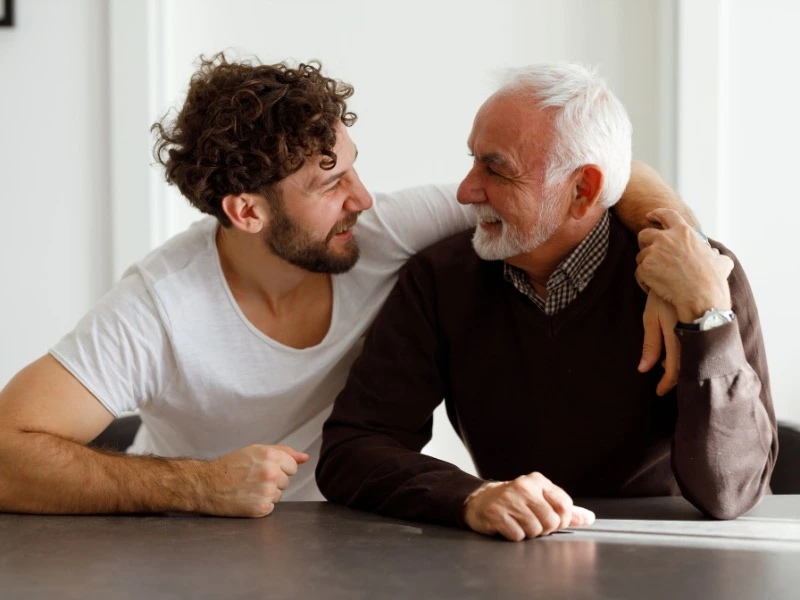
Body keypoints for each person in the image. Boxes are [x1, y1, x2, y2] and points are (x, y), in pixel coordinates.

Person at [0, 55, 692, 517]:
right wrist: (198, 486)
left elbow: (595, 173)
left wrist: (675, 258)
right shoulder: (159, 307)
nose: (361, 197)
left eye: (354, 167)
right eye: (330, 183)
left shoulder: (381, 228)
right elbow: (6, 452)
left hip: (344, 536)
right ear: (247, 212)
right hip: (184, 542)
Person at [316, 63, 777, 540]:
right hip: (512, 552)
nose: (465, 191)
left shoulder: (701, 277)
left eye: (496, 168)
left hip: (667, 552)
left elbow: (731, 492)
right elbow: (353, 448)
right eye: (473, 160)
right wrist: (471, 497)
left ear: (583, 190)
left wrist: (707, 319)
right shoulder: (439, 280)